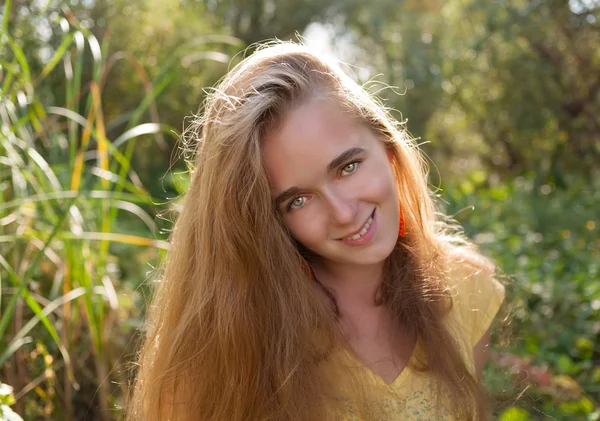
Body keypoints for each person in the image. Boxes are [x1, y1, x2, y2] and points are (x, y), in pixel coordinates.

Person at [127, 41, 506, 421]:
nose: (342, 214)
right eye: (298, 201)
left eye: (348, 167)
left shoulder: (465, 287)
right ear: (268, 221)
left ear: (387, 148)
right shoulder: (231, 347)